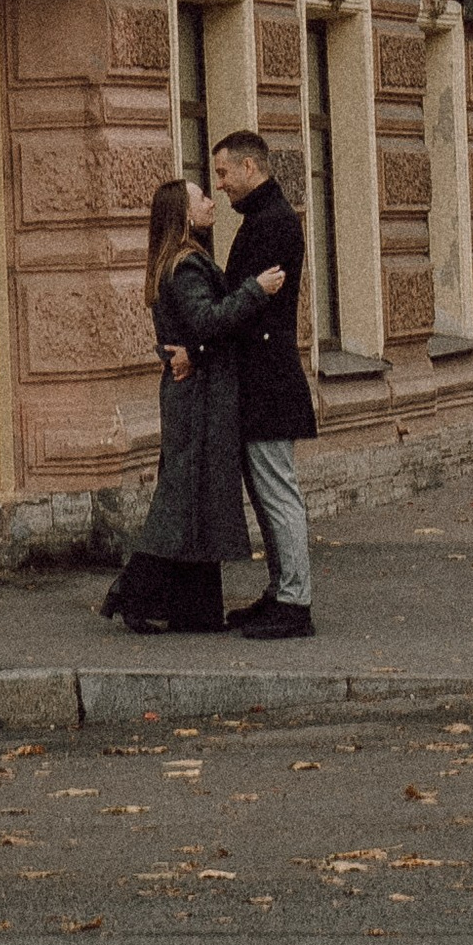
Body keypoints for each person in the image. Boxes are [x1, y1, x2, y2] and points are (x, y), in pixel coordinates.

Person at [103, 178, 286, 636]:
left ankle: (195, 611)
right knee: (183, 497)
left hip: (199, 390)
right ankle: (133, 591)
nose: (211, 201)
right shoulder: (185, 266)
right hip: (198, 396)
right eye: (202, 197)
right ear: (184, 215)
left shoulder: (184, 260)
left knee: (198, 498)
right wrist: (255, 290)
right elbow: (207, 321)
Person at [212, 128, 317, 637]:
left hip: (268, 381)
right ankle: (280, 592)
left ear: (250, 168)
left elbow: (254, 308)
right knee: (268, 493)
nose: (221, 184)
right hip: (264, 379)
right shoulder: (266, 217)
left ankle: (294, 602)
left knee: (277, 494)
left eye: (224, 172)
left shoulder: (270, 223)